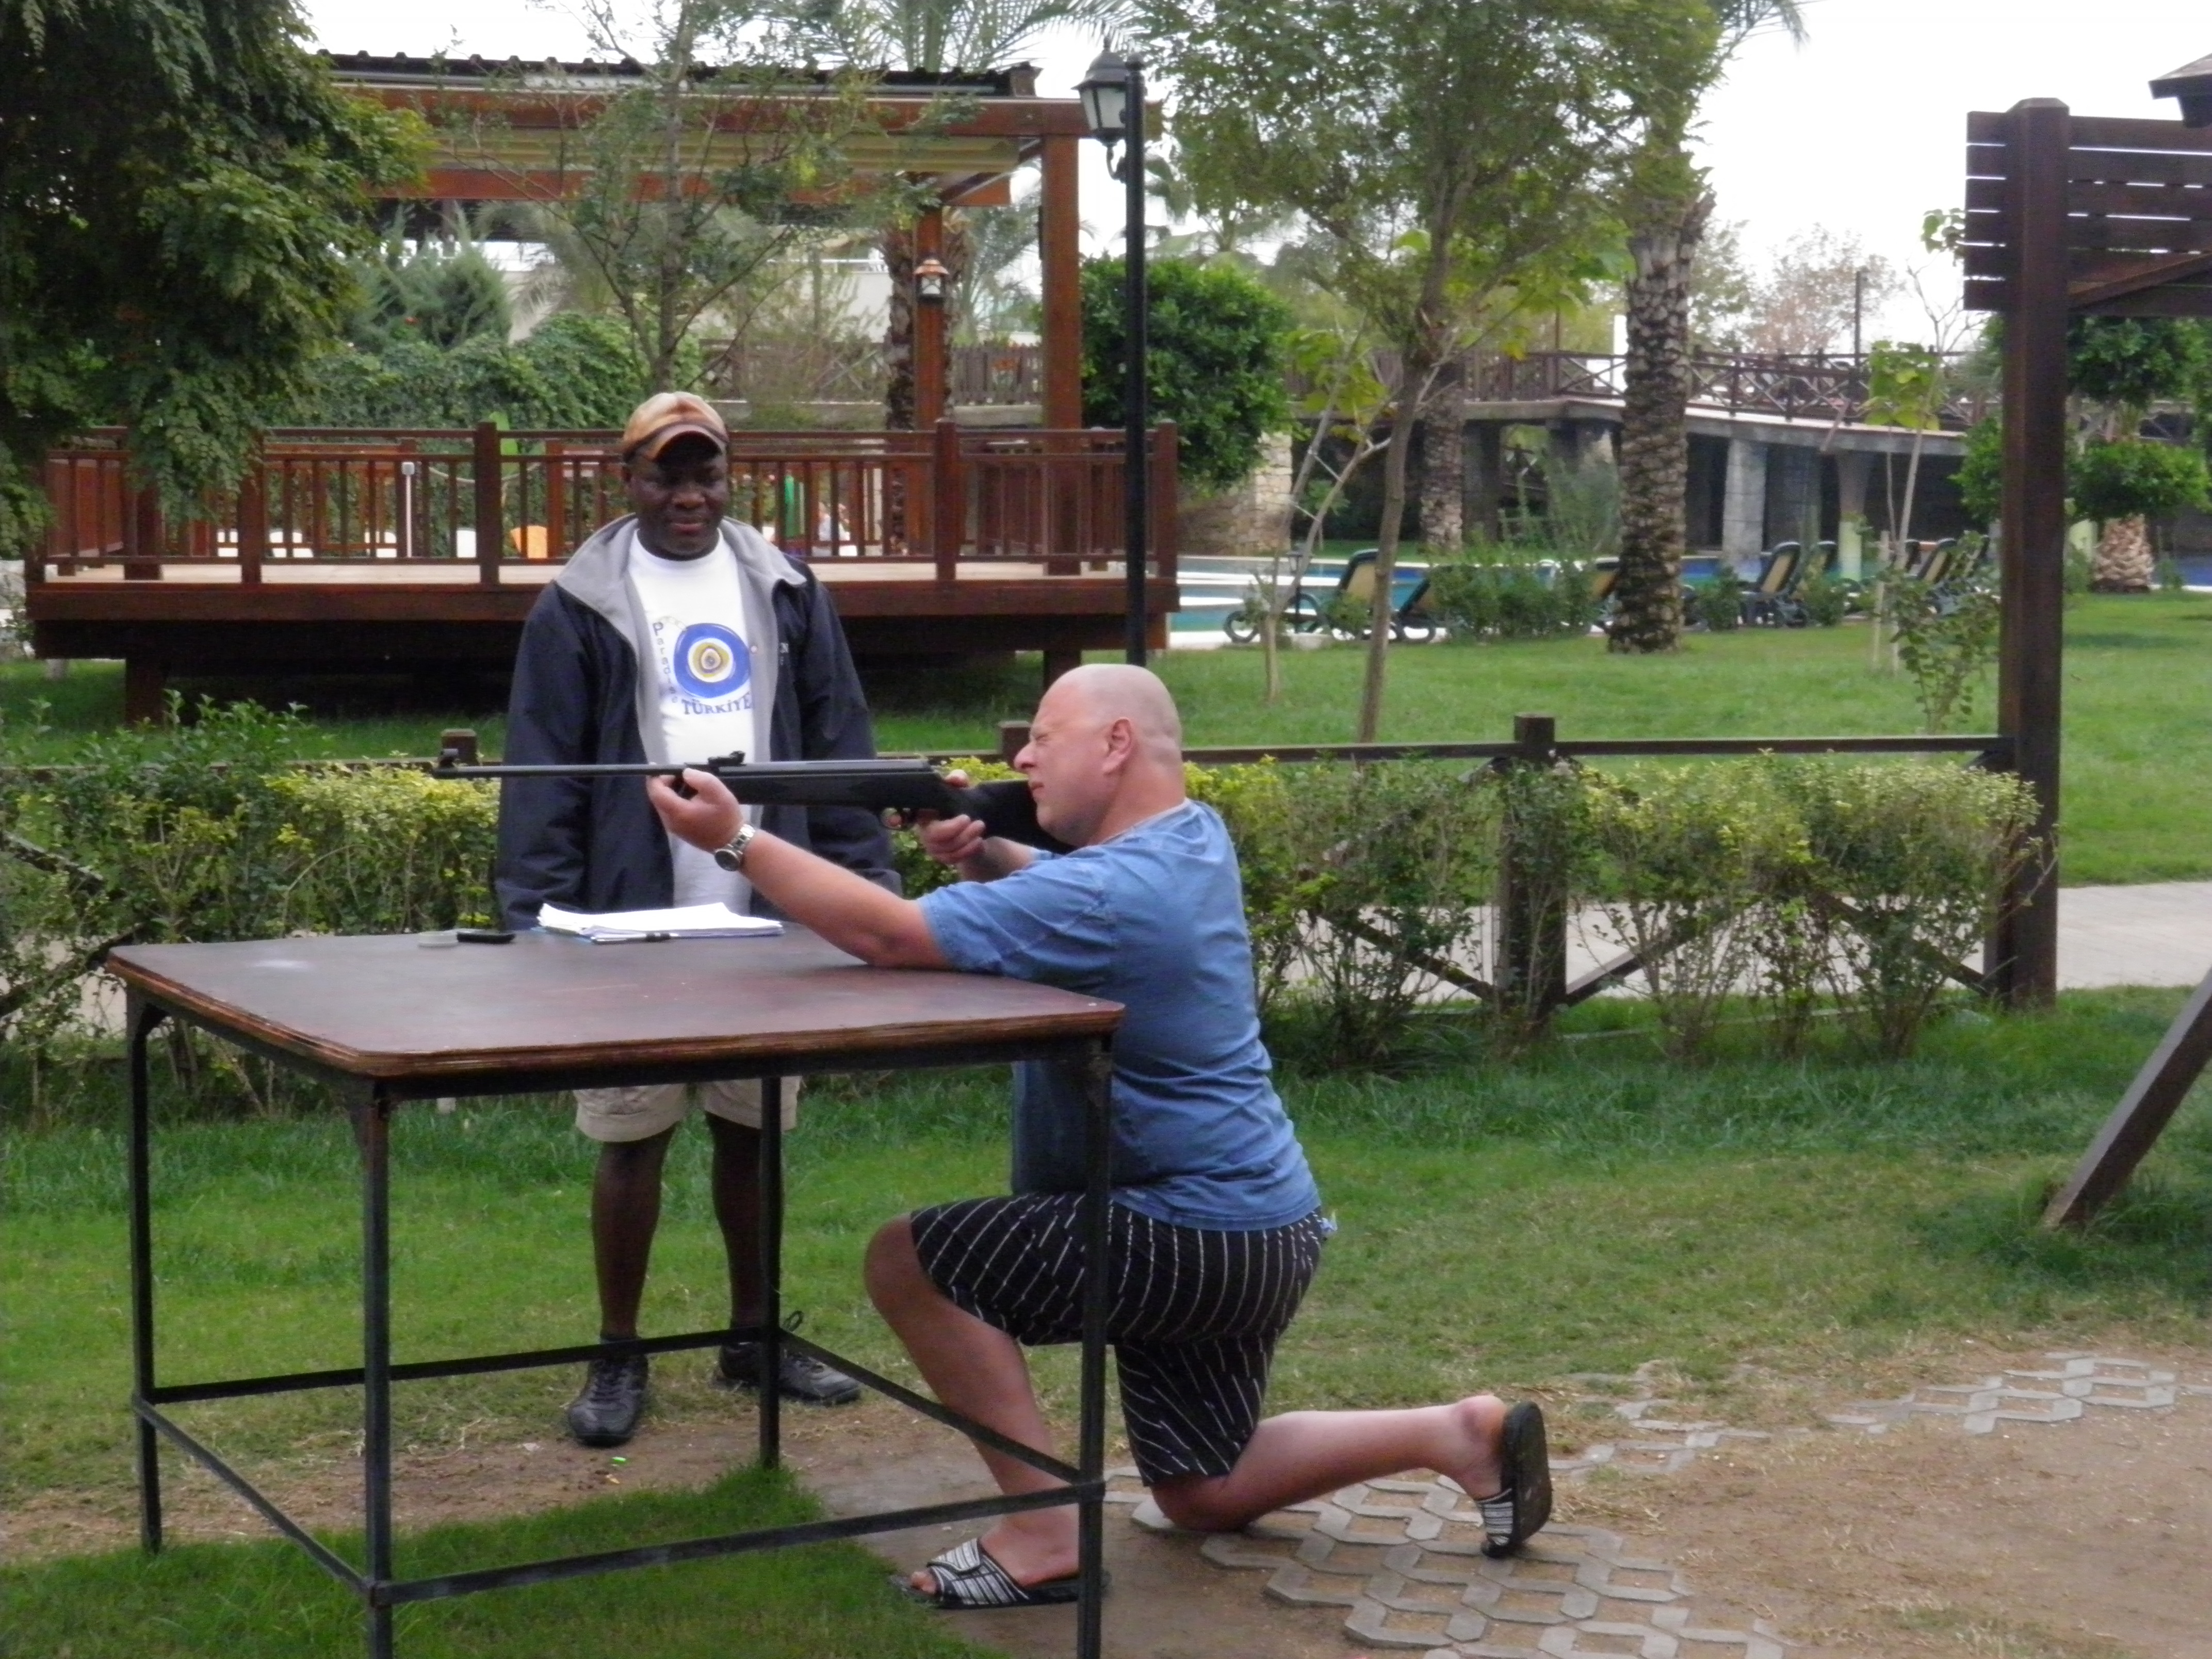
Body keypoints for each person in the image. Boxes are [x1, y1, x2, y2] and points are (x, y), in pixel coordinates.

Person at [643, 663, 1552, 1609]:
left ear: (1116, 744)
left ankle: (1045, 1534)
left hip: (1182, 1235)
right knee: (1204, 1490)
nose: (1023, 759)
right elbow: (1068, 894)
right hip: (1259, 1231)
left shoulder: (1113, 890)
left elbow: (893, 937)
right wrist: (984, 855)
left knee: (907, 1261)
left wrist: (735, 839)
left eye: (1044, 737)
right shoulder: (1190, 838)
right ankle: (1457, 1433)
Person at [497, 391, 895, 1447]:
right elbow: (543, 770)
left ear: (729, 478)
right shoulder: (578, 604)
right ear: (626, 480)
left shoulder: (787, 589)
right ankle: (617, 1354)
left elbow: (837, 742)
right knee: (631, 1138)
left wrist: (866, 891)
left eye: (704, 475)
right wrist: (534, 923)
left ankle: (754, 1336)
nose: (688, 496)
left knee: (751, 1130)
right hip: (625, 920)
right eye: (665, 476)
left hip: (764, 913)